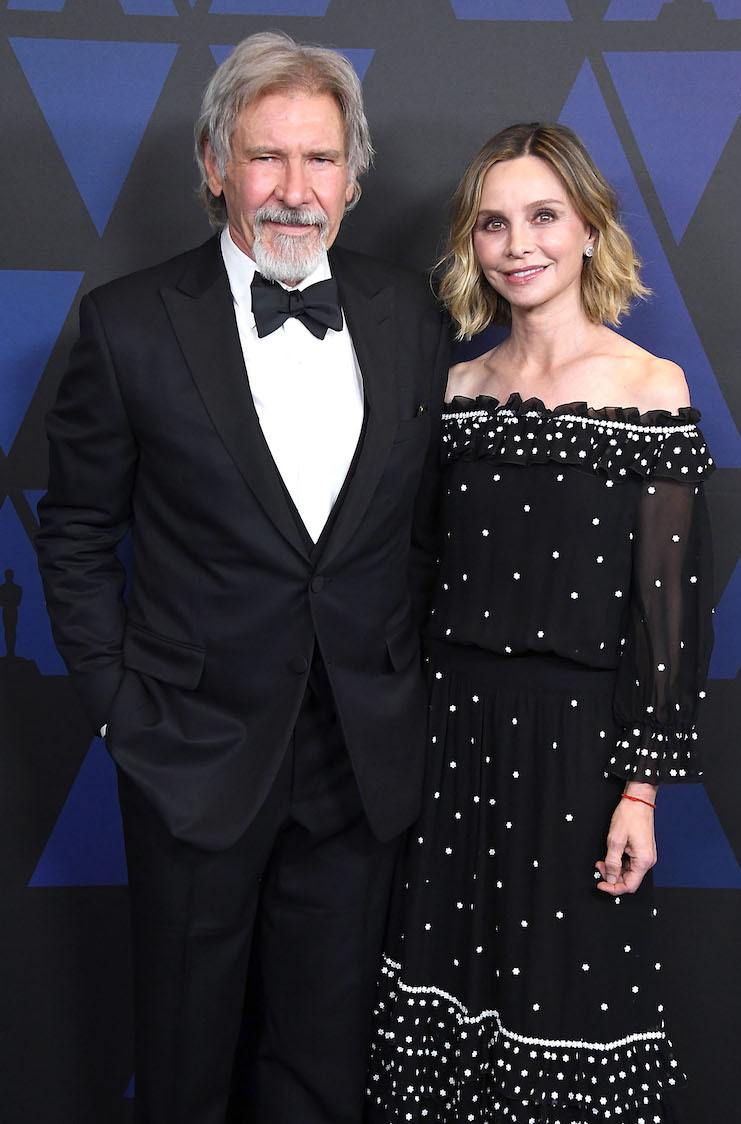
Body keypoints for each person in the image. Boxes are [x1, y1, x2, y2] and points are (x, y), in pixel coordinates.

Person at [36, 31, 449, 1124]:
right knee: (184, 1062)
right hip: (190, 749)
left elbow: (413, 529)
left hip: (358, 754)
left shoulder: (412, 315)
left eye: (319, 161)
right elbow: (74, 528)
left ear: (353, 180)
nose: (293, 190)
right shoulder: (126, 325)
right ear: (214, 164)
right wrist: (123, 712)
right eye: (266, 158)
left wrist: (393, 673)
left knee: (322, 1063)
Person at [368, 123, 714, 1123]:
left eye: (541, 215)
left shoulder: (649, 388)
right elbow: (418, 572)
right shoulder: (455, 391)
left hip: (579, 751)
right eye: (490, 223)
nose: (516, 243)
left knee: (566, 1014)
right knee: (443, 1018)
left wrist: (637, 791)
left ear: (588, 229)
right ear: (468, 244)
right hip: (450, 739)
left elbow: (668, 614)